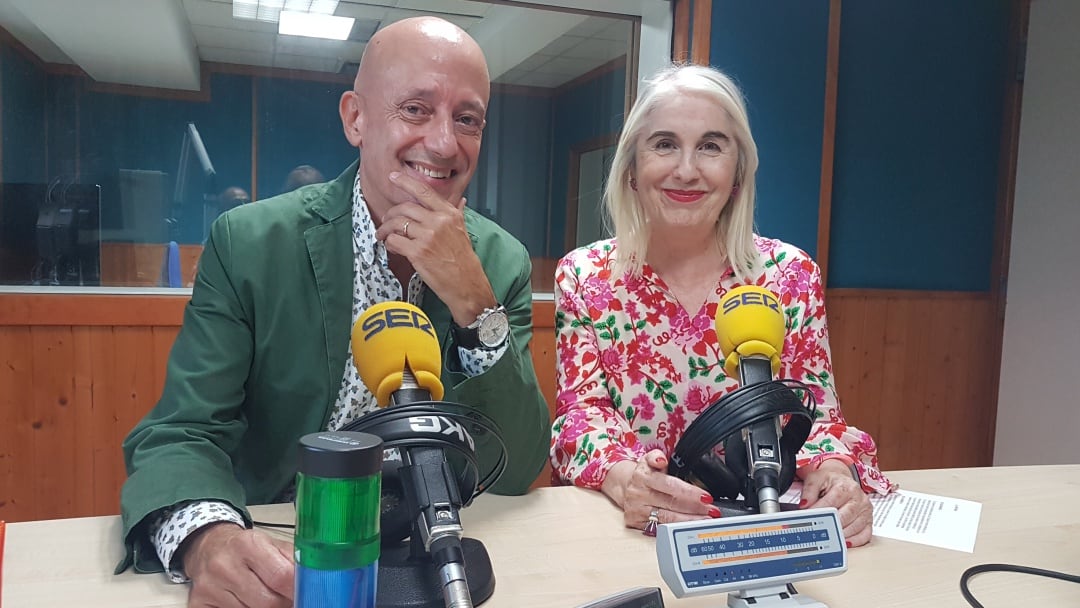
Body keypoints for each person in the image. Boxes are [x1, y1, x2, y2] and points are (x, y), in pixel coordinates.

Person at [119, 16, 550, 607]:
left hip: (436, 553)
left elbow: (519, 464)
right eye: (416, 109)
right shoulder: (251, 242)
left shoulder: (500, 262)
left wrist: (476, 304)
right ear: (356, 118)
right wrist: (207, 539)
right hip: (283, 552)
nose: (445, 143)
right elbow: (180, 432)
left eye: (467, 119)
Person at [550, 64, 895, 547]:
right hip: (634, 539)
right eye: (664, 144)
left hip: (764, 532)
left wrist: (836, 474)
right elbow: (581, 418)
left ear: (737, 172)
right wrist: (629, 480)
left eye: (711, 146)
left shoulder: (790, 275)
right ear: (631, 169)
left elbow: (817, 416)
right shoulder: (584, 277)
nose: (686, 169)